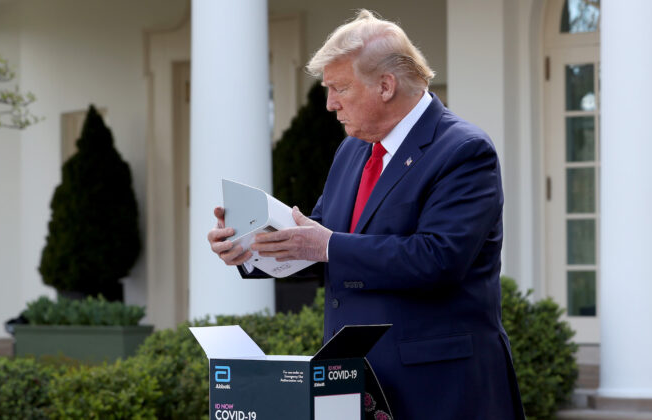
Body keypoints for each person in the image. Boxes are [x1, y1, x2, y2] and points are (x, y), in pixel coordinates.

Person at [208, 9, 524, 420]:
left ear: (386, 86)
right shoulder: (352, 150)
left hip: (439, 388)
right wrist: (250, 248)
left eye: (339, 88)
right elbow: (321, 245)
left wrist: (326, 245)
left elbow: (438, 259)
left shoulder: (463, 151)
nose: (329, 103)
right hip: (353, 383)